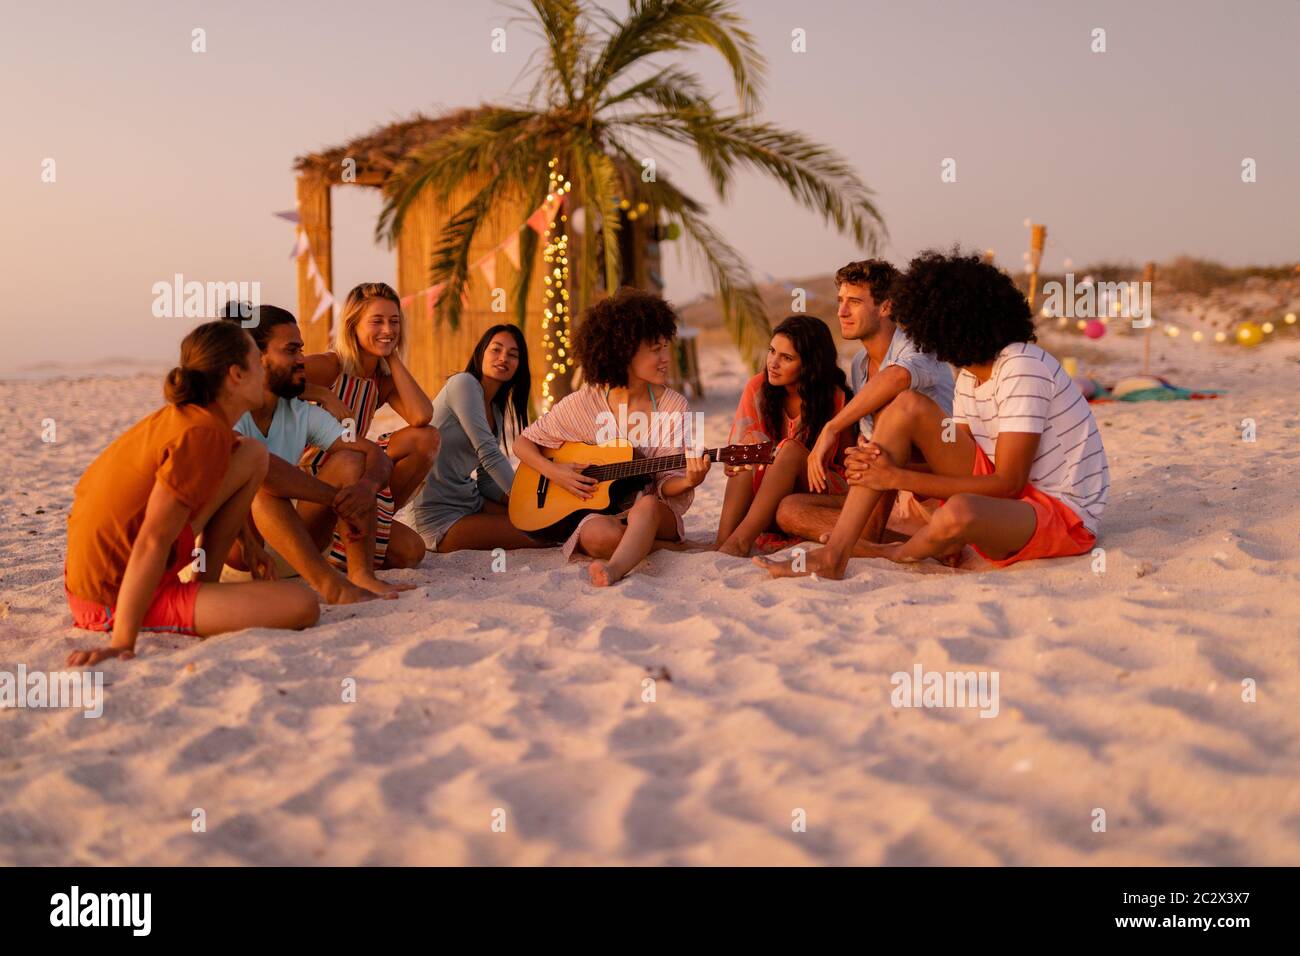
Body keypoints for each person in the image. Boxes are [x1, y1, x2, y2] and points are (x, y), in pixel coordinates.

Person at [758, 249, 1109, 579]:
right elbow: (966, 460)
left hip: (1061, 513)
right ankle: (835, 555)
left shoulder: (1021, 365)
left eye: (927, 324)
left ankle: (893, 552)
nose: (922, 336)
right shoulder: (971, 375)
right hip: (1006, 496)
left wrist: (896, 478)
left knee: (959, 513)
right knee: (907, 406)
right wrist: (877, 468)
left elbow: (1008, 483)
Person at [64, 321, 320, 666]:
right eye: (257, 362)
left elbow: (226, 480)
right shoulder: (200, 435)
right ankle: (180, 606)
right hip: (113, 596)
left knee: (252, 454)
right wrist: (122, 642)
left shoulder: (198, 420)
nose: (265, 369)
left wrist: (248, 541)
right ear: (236, 375)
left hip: (101, 577)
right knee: (302, 605)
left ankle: (206, 584)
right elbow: (152, 539)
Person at [512, 288, 710, 587]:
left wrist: (690, 480)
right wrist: (557, 472)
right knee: (597, 536)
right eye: (656, 349)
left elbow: (668, 482)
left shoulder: (672, 405)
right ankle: (651, 548)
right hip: (603, 514)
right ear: (624, 351)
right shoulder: (584, 403)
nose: (665, 358)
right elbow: (522, 444)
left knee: (646, 508)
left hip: (654, 510)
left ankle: (615, 569)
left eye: (666, 347)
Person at [224, 305, 409, 603]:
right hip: (239, 558)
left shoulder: (300, 413)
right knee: (262, 481)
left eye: (301, 350)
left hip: (294, 554)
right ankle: (330, 586)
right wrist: (333, 498)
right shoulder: (226, 411)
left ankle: (361, 575)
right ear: (254, 357)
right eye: (291, 350)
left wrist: (366, 487)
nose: (301, 360)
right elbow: (260, 473)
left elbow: (372, 452)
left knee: (351, 460)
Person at [777, 259, 955, 547]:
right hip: (893, 493)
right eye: (840, 301)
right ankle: (914, 543)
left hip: (935, 486)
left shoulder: (919, 347)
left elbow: (897, 378)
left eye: (855, 302)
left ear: (886, 307)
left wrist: (832, 429)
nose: (842, 311)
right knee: (789, 509)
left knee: (880, 444)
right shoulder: (859, 364)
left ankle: (870, 537)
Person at [302, 282, 438, 570]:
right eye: (377, 321)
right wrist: (322, 393)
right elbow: (270, 378)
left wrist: (391, 355)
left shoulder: (381, 381)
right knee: (350, 460)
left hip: (356, 484)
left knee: (412, 551)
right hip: (313, 486)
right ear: (352, 325)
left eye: (394, 321)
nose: (388, 329)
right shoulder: (330, 367)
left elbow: (422, 416)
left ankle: (373, 522)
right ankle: (335, 546)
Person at [715, 314, 855, 556]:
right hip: (766, 499)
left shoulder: (836, 398)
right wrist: (736, 459)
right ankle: (724, 541)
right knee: (747, 455)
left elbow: (846, 466)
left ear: (810, 364)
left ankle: (740, 541)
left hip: (817, 490)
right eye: (772, 351)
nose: (773, 363)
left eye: (786, 358)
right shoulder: (757, 389)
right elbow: (734, 457)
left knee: (789, 449)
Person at [407, 324, 551, 552]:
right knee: (537, 534)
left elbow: (485, 479)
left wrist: (513, 502)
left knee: (546, 523)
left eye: (513, 355)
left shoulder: (495, 409)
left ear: (519, 366)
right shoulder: (463, 384)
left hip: (470, 500)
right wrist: (524, 500)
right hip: (436, 513)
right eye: (496, 349)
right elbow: (489, 454)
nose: (503, 358)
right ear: (481, 352)